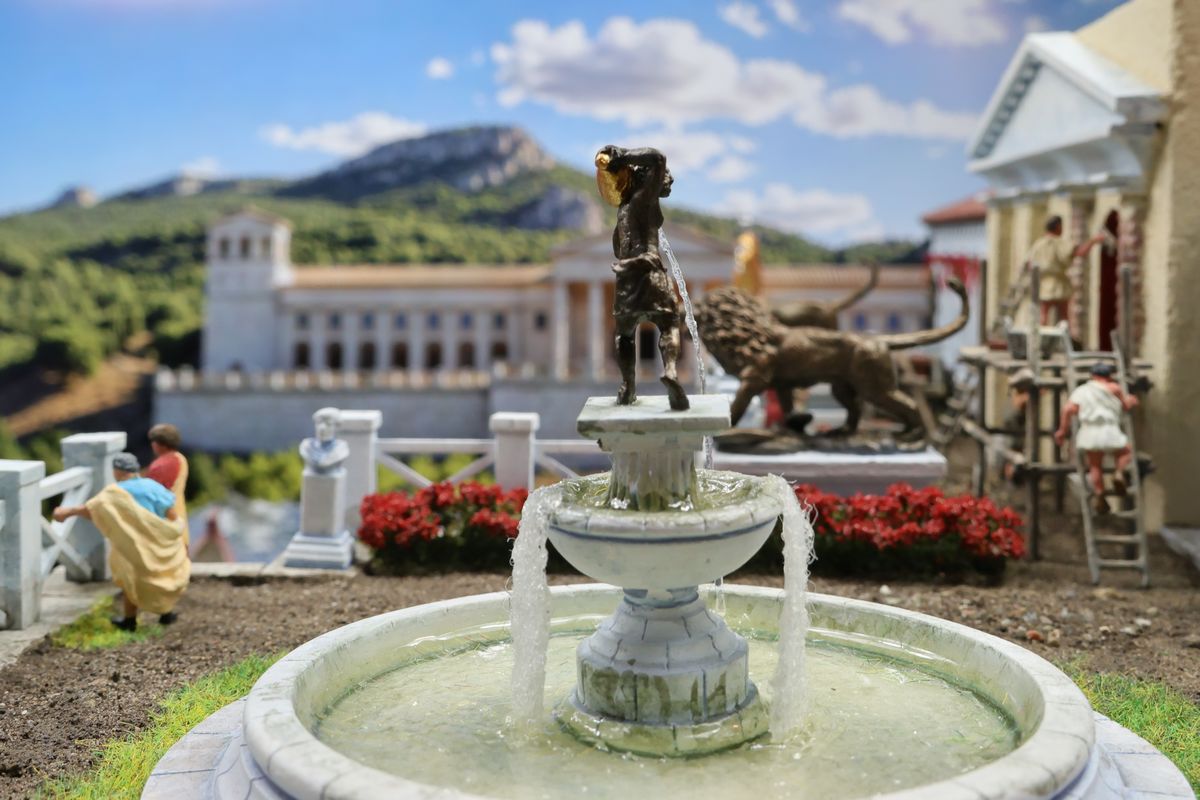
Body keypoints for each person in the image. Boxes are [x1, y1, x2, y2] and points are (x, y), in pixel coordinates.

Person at [595, 144, 688, 411]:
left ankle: (627, 387)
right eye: (665, 177)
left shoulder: (622, 211)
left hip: (626, 279)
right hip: (649, 271)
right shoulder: (644, 199)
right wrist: (622, 156)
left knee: (624, 334)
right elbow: (658, 158)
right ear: (647, 179)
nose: (669, 180)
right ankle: (670, 370)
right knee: (670, 324)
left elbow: (618, 249)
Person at [52, 452, 190, 630]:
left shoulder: (114, 493)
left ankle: (130, 620)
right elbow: (171, 515)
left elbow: (93, 509)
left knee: (131, 581)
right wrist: (162, 531)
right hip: (156, 546)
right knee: (161, 576)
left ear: (118, 471)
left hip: (131, 546)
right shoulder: (152, 486)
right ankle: (166, 614)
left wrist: (67, 512)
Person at [1055, 363, 1138, 514]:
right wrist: (1131, 401)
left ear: (1093, 376)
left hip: (1090, 431)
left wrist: (1062, 430)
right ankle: (1119, 473)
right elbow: (1125, 406)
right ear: (1109, 376)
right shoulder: (1114, 388)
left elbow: (1068, 409)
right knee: (1125, 452)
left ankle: (1100, 494)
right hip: (1109, 429)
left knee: (1095, 465)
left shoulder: (1082, 391)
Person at [1024, 216, 1107, 325]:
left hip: (1044, 283)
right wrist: (1093, 241)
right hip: (1058, 283)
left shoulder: (1038, 244)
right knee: (1063, 316)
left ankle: (1043, 334)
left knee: (1044, 314)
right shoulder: (1058, 242)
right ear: (1058, 227)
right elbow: (1079, 253)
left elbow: (1029, 264)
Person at [144, 423, 189, 546]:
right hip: (179, 514)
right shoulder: (180, 458)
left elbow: (152, 495)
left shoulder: (161, 466)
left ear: (160, 444)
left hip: (166, 522)